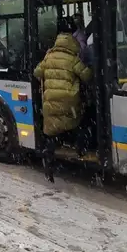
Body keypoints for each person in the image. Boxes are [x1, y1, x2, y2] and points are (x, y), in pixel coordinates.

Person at [33, 28, 92, 180]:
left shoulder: (49, 56)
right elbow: (87, 76)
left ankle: (48, 162)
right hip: (69, 103)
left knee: (52, 134)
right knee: (78, 125)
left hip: (50, 103)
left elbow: (37, 73)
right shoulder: (72, 59)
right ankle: (80, 150)